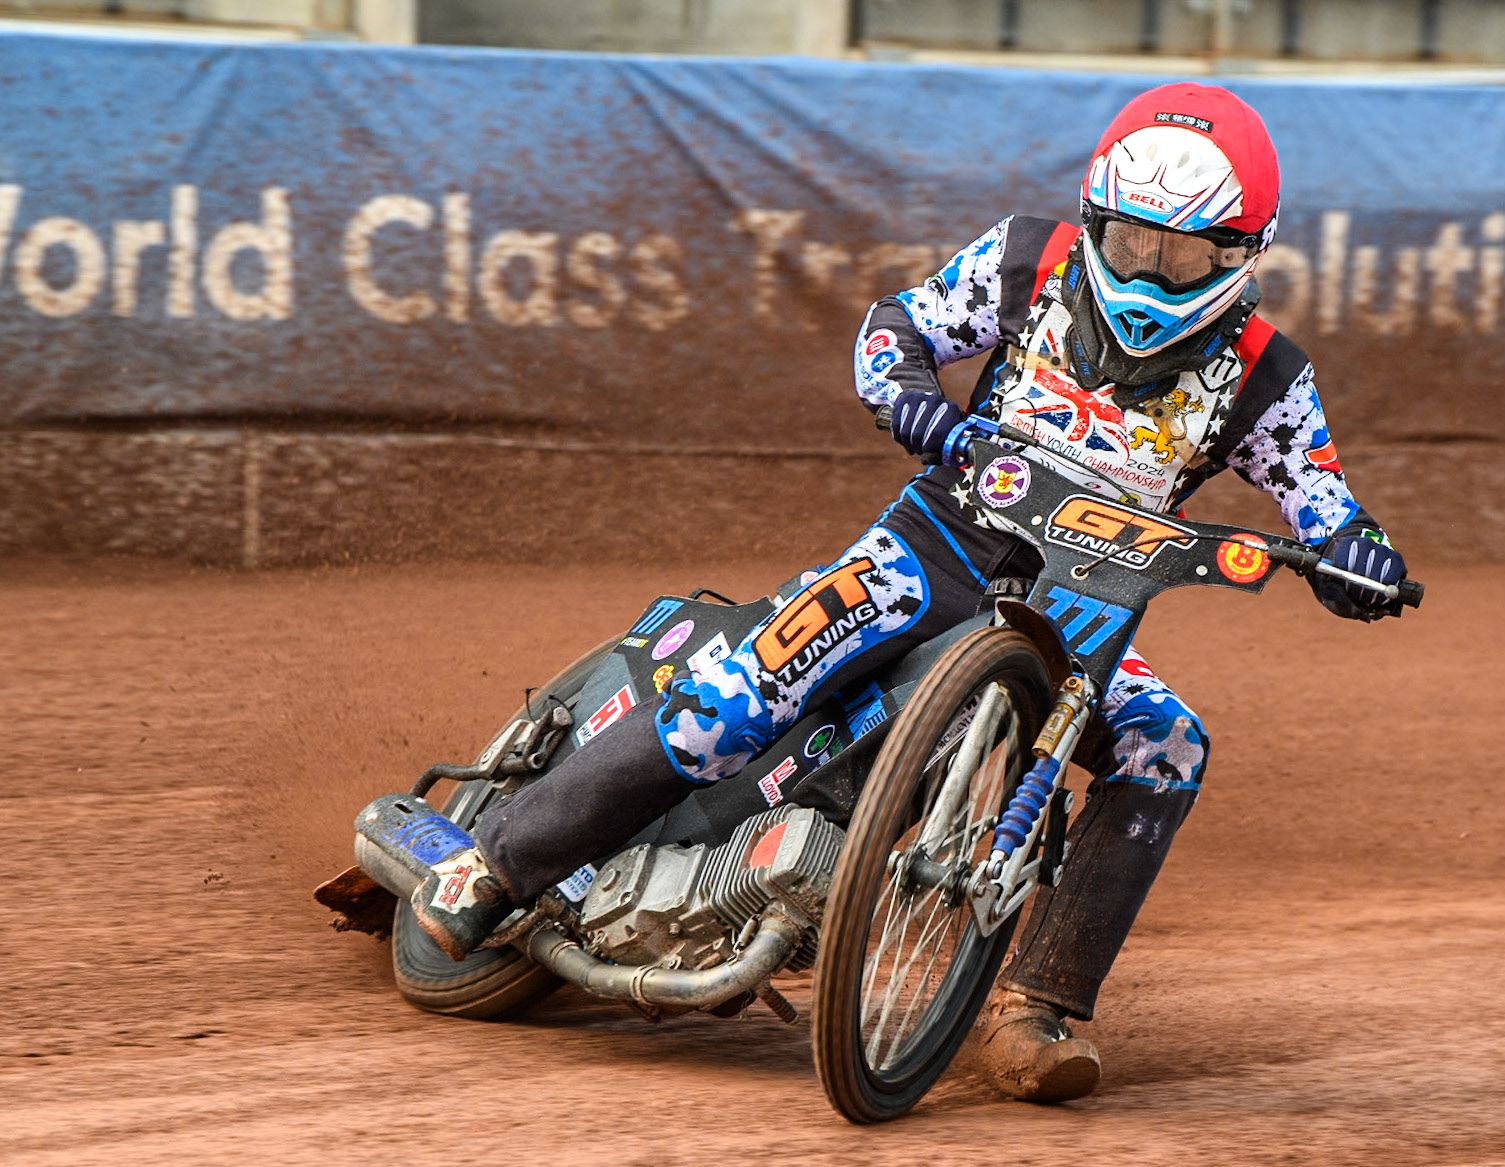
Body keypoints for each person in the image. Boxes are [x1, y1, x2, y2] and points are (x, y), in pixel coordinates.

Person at [404, 82, 1408, 1104]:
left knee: (1169, 748)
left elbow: (1325, 507)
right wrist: (924, 411)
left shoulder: (1268, 378)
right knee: (736, 700)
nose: (1150, 271)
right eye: (1132, 241)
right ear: (1096, 218)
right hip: (934, 544)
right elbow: (895, 333)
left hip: (1089, 607)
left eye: (1184, 256)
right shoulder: (1031, 258)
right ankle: (494, 867)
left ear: (1245, 252)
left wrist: (1360, 563)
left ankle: (1037, 1006)